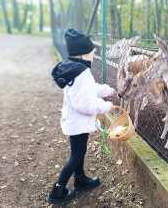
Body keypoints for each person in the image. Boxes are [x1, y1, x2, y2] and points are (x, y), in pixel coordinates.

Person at [47, 29, 116, 204]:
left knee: (79, 153)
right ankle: (57, 191)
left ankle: (80, 179)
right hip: (78, 122)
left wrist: (109, 91)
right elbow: (86, 104)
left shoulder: (75, 70)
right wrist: (106, 106)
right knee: (76, 155)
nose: (94, 55)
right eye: (93, 52)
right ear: (85, 54)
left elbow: (91, 90)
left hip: (74, 121)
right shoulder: (82, 74)